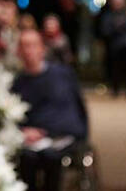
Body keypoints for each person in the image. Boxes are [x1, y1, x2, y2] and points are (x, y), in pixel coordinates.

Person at [11, 29, 88, 191]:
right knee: (26, 160)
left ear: (42, 49)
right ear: (18, 51)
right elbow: (13, 117)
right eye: (24, 46)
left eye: (32, 45)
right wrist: (24, 131)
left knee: (52, 159)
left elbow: (73, 112)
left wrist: (45, 131)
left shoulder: (62, 75)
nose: (28, 51)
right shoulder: (17, 83)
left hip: (61, 138)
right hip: (30, 142)